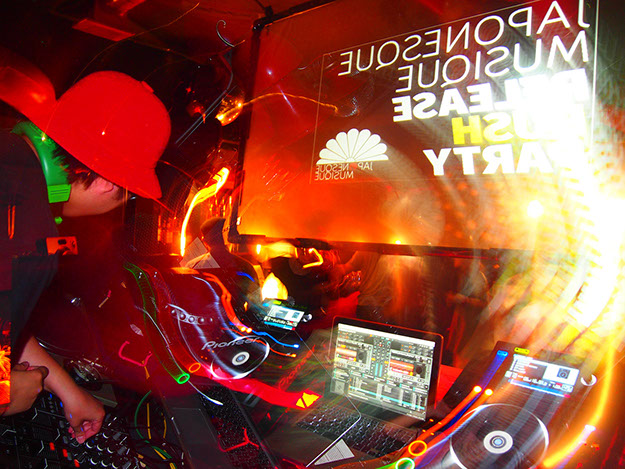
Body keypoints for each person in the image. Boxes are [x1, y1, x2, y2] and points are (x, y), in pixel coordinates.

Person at [0, 71, 171, 444]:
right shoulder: (29, 244)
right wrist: (7, 394)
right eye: (129, 193)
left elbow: (5, 322)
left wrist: (67, 390)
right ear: (109, 182)